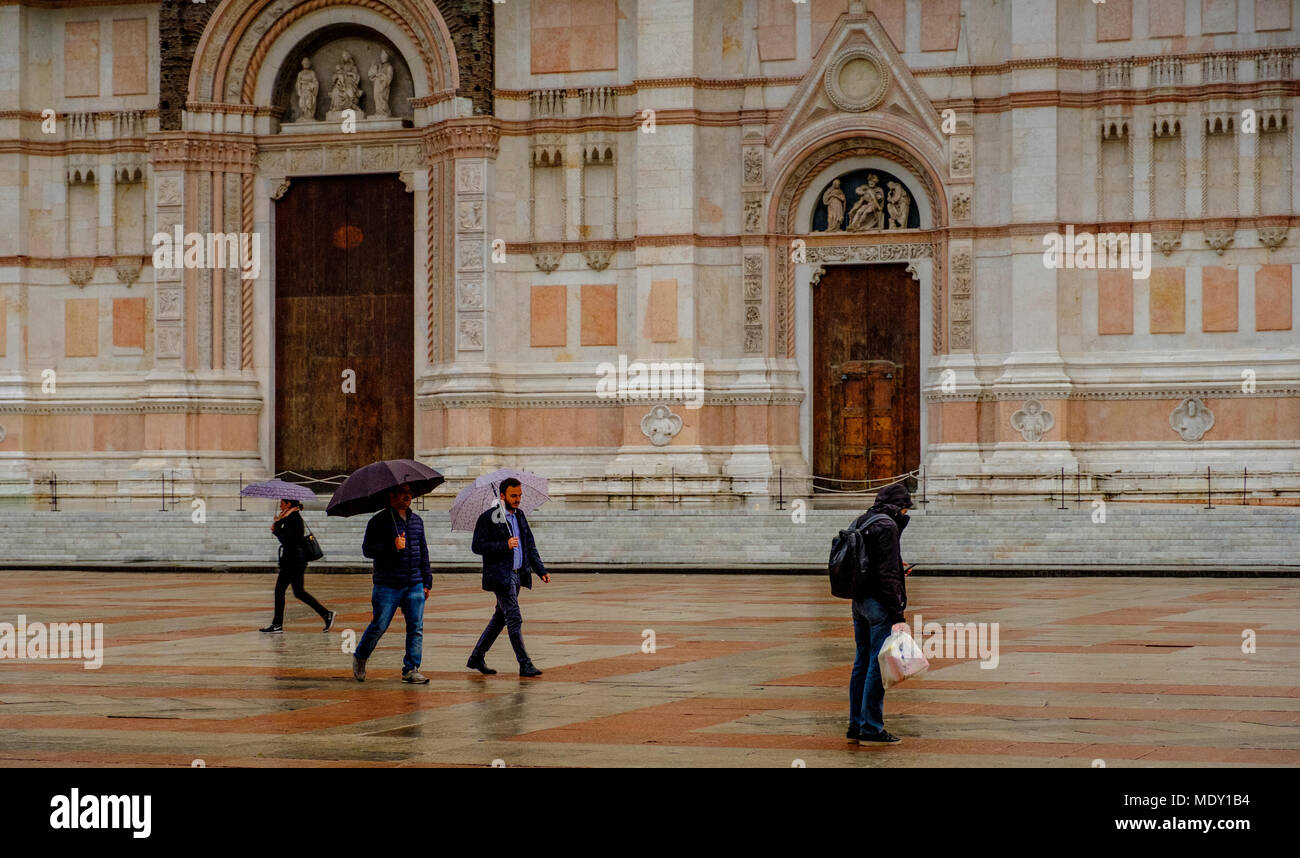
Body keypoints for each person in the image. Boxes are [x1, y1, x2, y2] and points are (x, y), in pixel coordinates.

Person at [847, 482, 913, 744]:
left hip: (859, 600)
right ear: (900, 506)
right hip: (879, 604)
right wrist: (898, 615)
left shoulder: (863, 520)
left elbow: (870, 562)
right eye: (906, 508)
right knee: (877, 664)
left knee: (862, 662)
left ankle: (856, 723)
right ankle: (872, 727)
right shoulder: (887, 525)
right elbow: (885, 575)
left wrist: (898, 565)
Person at [467, 478, 549, 677]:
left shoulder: (519, 516)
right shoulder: (490, 517)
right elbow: (477, 546)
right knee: (514, 617)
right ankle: (525, 663)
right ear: (502, 496)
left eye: (520, 495)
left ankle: (477, 656)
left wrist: (540, 570)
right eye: (513, 496)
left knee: (500, 618)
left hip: (518, 574)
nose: (518, 499)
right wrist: (505, 545)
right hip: (501, 576)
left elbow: (529, 544)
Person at [352, 483, 431, 683]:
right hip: (387, 584)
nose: (408, 495)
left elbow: (423, 552)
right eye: (403, 492)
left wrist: (427, 581)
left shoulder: (417, 521)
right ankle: (361, 656)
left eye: (409, 492)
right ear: (391, 496)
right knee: (379, 625)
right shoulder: (378, 521)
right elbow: (367, 550)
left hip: (414, 582)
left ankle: (411, 668)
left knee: (416, 627)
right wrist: (392, 546)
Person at [261, 499, 334, 634]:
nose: (280, 504)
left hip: (293, 561)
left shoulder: (294, 518)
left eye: (282, 502)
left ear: (289, 504)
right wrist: (278, 524)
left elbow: (289, 540)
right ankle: (326, 614)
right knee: (299, 592)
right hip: (295, 560)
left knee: (279, 590)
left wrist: (276, 527)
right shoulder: (290, 517)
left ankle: (277, 624)